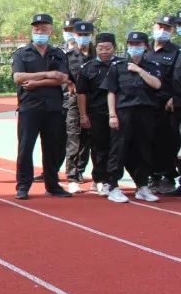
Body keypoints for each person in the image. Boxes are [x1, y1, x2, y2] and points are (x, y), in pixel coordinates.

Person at [11, 13, 73, 200]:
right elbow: (18, 77)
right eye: (36, 29)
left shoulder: (58, 54)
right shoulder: (22, 53)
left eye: (44, 29)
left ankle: (52, 185)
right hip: (29, 107)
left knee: (53, 149)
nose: (40, 32)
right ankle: (23, 186)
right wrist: (48, 74)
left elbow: (62, 78)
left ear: (50, 31)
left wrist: (37, 82)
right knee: (25, 148)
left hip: (53, 107)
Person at [104, 32, 164, 203]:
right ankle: (113, 186)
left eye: (138, 44)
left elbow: (157, 84)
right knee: (119, 149)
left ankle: (142, 186)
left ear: (145, 46)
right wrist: (112, 114)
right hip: (123, 112)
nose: (134, 47)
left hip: (145, 112)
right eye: (131, 44)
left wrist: (140, 70)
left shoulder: (152, 66)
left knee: (143, 149)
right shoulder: (118, 66)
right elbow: (111, 92)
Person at [76, 33, 122, 197]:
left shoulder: (122, 65)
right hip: (96, 114)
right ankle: (99, 179)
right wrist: (83, 115)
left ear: (114, 48)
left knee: (117, 148)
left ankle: (113, 180)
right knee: (98, 149)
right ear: (96, 48)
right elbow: (81, 93)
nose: (104, 51)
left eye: (108, 48)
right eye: (101, 48)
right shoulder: (87, 68)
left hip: (118, 114)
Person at [149, 15, 181, 194]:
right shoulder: (144, 49)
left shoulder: (176, 52)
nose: (162, 31)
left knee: (168, 141)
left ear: (172, 31)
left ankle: (167, 176)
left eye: (167, 28)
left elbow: (178, 79)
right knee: (148, 140)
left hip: (167, 105)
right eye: (159, 27)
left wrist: (175, 98)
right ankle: (151, 176)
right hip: (146, 104)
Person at [63, 20, 95, 193]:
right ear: (74, 36)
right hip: (74, 103)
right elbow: (64, 77)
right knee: (74, 138)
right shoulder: (68, 57)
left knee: (91, 140)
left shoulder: (97, 55)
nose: (83, 37)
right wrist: (70, 84)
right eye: (80, 34)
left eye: (86, 35)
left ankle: (86, 172)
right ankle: (72, 176)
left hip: (95, 102)